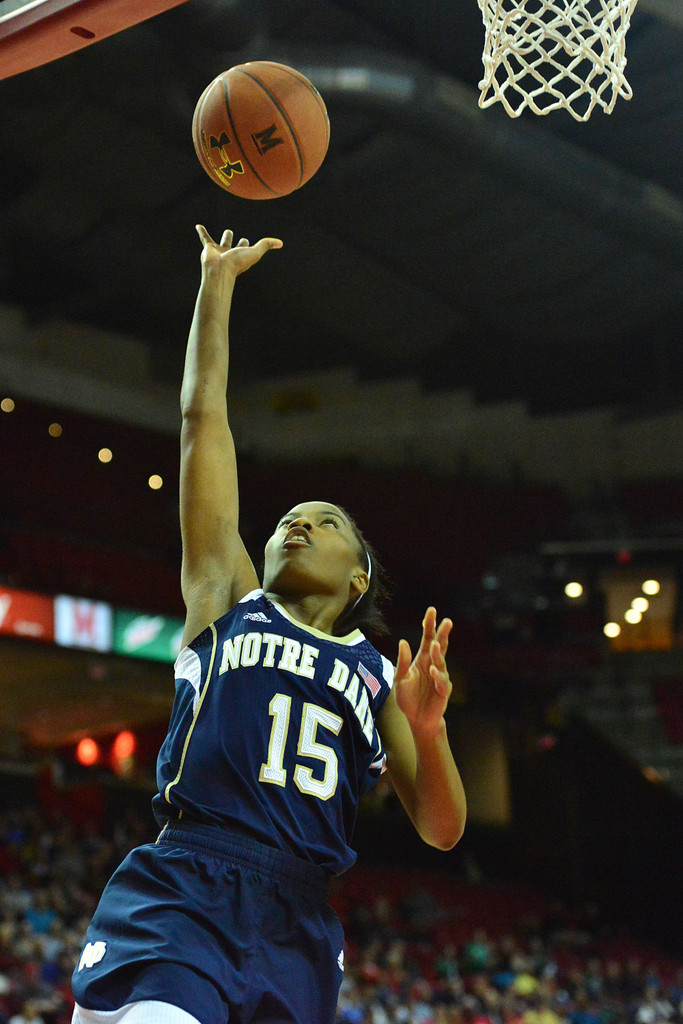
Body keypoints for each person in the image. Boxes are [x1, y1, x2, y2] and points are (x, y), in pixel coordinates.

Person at [71, 226, 467, 1024]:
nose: (295, 524)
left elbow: (440, 829)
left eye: (322, 521)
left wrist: (427, 731)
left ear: (359, 574)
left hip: (297, 921)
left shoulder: (370, 673)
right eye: (287, 518)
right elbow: (199, 421)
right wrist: (214, 287)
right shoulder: (226, 596)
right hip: (188, 884)